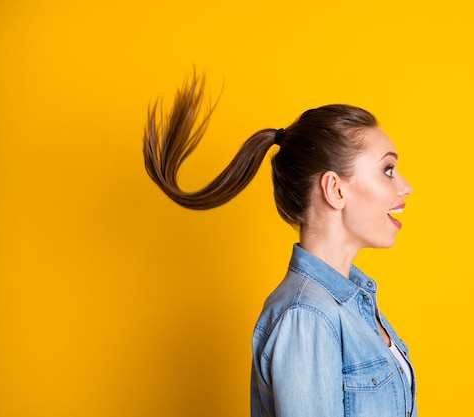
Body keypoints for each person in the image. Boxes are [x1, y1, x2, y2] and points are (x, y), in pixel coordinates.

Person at [143, 74, 417, 417]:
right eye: (388, 170)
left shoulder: (352, 304)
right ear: (335, 190)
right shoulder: (308, 317)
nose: (405, 187)